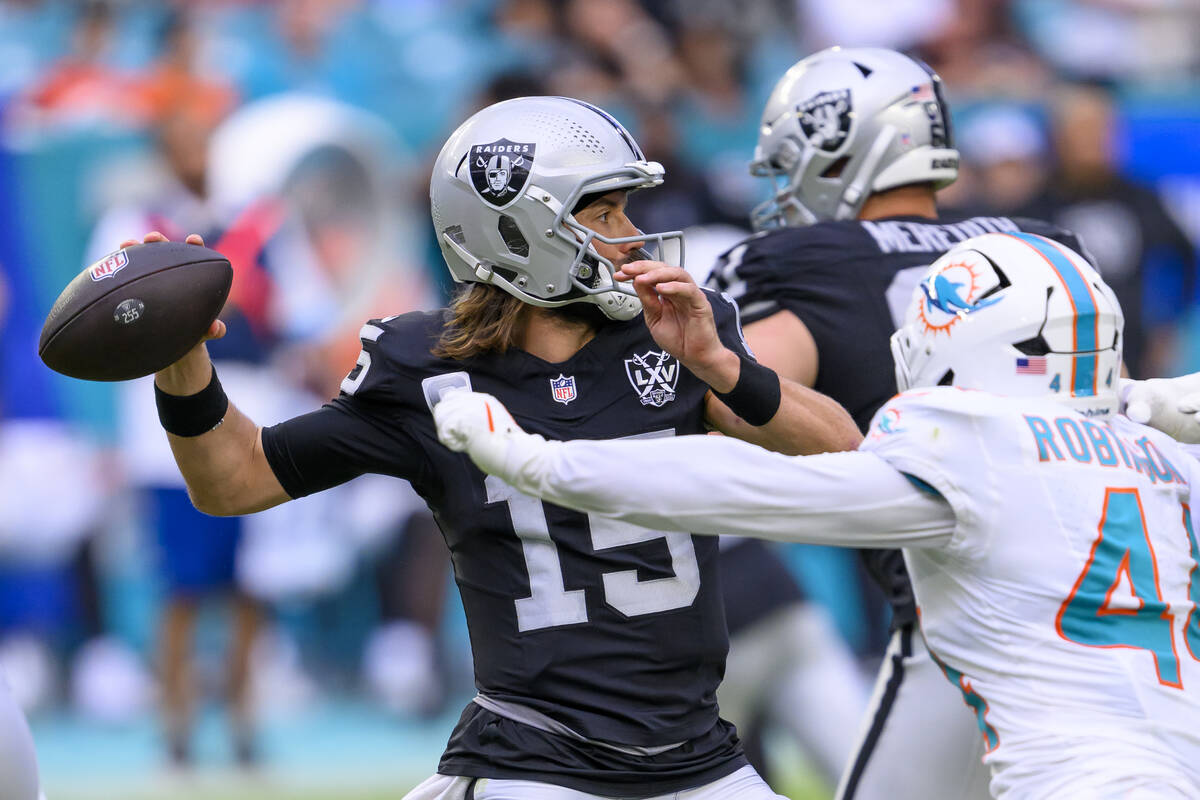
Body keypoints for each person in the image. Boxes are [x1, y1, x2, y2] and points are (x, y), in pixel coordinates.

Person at [134, 95, 861, 798]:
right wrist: (181, 361)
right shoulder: (425, 363)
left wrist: (725, 367)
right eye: (604, 212)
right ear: (520, 231)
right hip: (534, 762)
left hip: (699, 754)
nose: (632, 234)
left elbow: (843, 455)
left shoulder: (671, 335)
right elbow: (233, 479)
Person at [434, 232, 1200, 799]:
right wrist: (1156, 403)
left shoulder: (975, 451)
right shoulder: (1166, 456)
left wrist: (537, 460)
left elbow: (733, 481)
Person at [704, 46, 1094, 799]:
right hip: (1112, 606)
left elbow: (731, 407)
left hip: (963, 622)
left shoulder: (800, 263)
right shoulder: (1045, 249)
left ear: (844, 148)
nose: (787, 187)